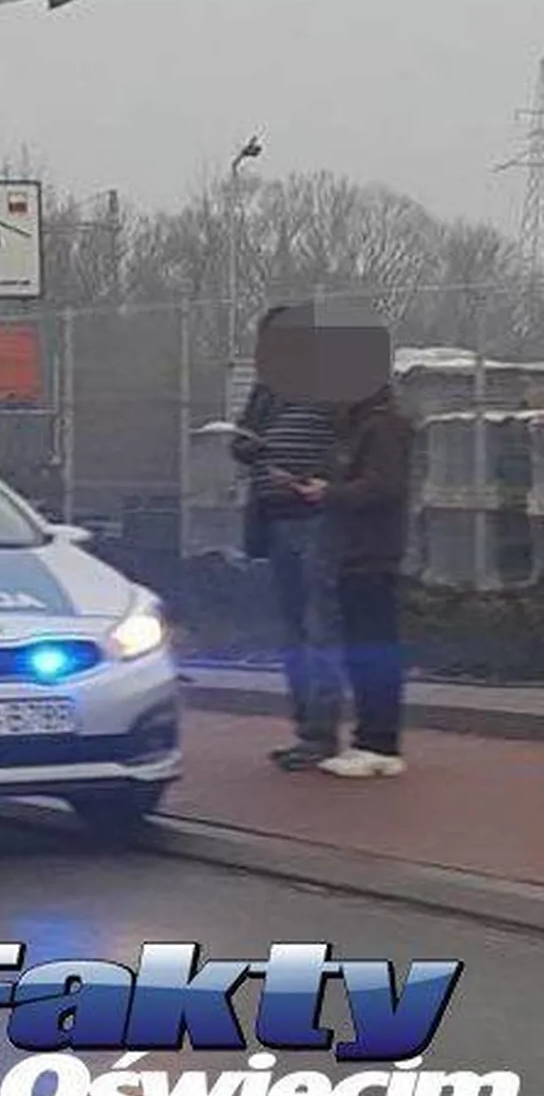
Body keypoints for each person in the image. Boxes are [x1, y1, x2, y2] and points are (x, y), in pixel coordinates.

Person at [229, 304, 345, 771]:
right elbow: (240, 442)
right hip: (275, 519)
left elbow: (351, 447)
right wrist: (250, 447)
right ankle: (304, 729)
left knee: (320, 627)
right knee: (293, 629)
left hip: (318, 518)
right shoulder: (266, 390)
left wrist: (319, 479)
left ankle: (321, 733)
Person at [296, 353, 414, 778]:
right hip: (357, 552)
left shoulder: (381, 427)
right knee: (364, 648)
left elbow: (384, 487)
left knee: (374, 647)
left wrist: (330, 492)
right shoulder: (361, 427)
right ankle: (370, 738)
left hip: (372, 552)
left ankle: (379, 743)